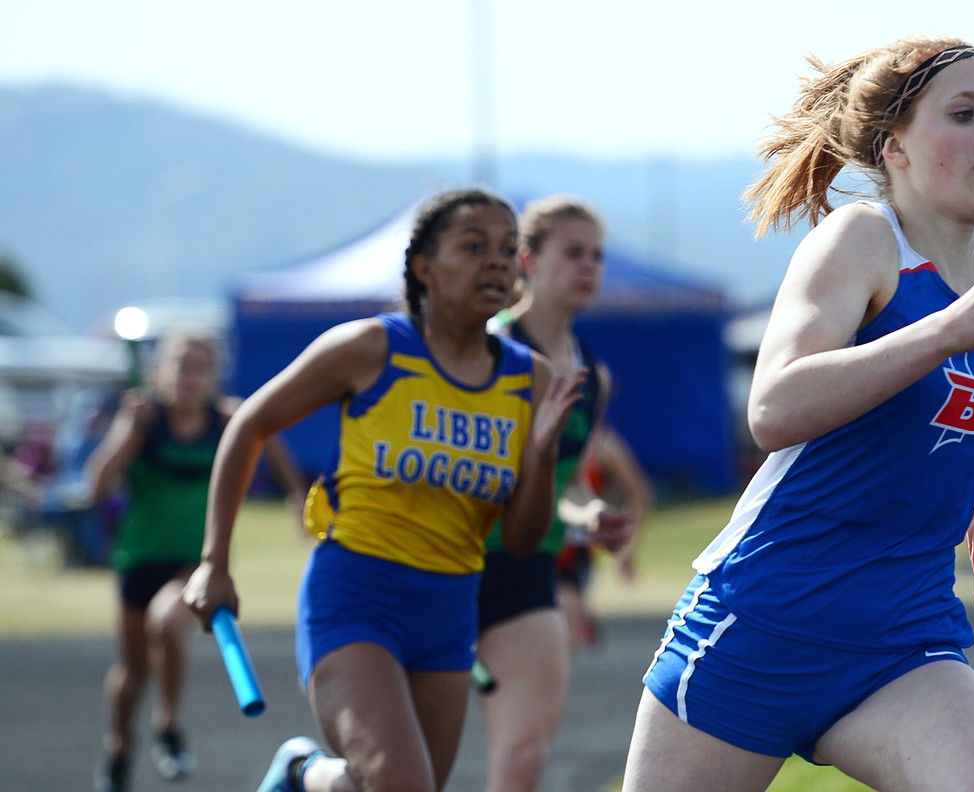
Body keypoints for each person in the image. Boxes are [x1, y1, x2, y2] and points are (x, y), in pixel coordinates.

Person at [623, 36, 974, 791]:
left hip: (902, 635)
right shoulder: (862, 240)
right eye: (965, 113)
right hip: (763, 625)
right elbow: (775, 407)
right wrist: (952, 326)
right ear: (896, 148)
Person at [181, 188, 585, 792]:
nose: (496, 262)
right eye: (474, 247)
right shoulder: (371, 348)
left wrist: (544, 453)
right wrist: (214, 563)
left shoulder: (531, 379)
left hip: (450, 611)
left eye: (507, 250)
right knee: (402, 783)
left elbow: (524, 541)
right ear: (424, 267)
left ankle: (306, 774)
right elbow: (250, 424)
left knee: (385, 785)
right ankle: (309, 769)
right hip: (357, 597)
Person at [86, 331, 306, 792]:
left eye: (199, 368)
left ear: (212, 376)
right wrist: (128, 430)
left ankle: (168, 727)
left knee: (167, 624)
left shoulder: (226, 419)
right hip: (138, 560)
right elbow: (98, 486)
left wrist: (296, 496)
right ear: (161, 373)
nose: (189, 377)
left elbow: (272, 442)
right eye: (181, 366)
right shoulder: (145, 420)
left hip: (197, 562)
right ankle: (119, 749)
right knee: (131, 673)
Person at [474, 194, 638, 792]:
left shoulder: (595, 376)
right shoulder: (482, 349)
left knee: (522, 762)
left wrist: (591, 514)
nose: (589, 266)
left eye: (596, 255)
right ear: (528, 260)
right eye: (573, 253)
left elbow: (568, 481)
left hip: (526, 572)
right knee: (397, 770)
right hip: (439, 569)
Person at [556, 423, 653, 650]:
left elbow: (639, 493)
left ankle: (579, 616)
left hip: (572, 556)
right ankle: (583, 615)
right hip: (531, 551)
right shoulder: (527, 429)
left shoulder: (601, 445)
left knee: (564, 637)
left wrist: (629, 550)